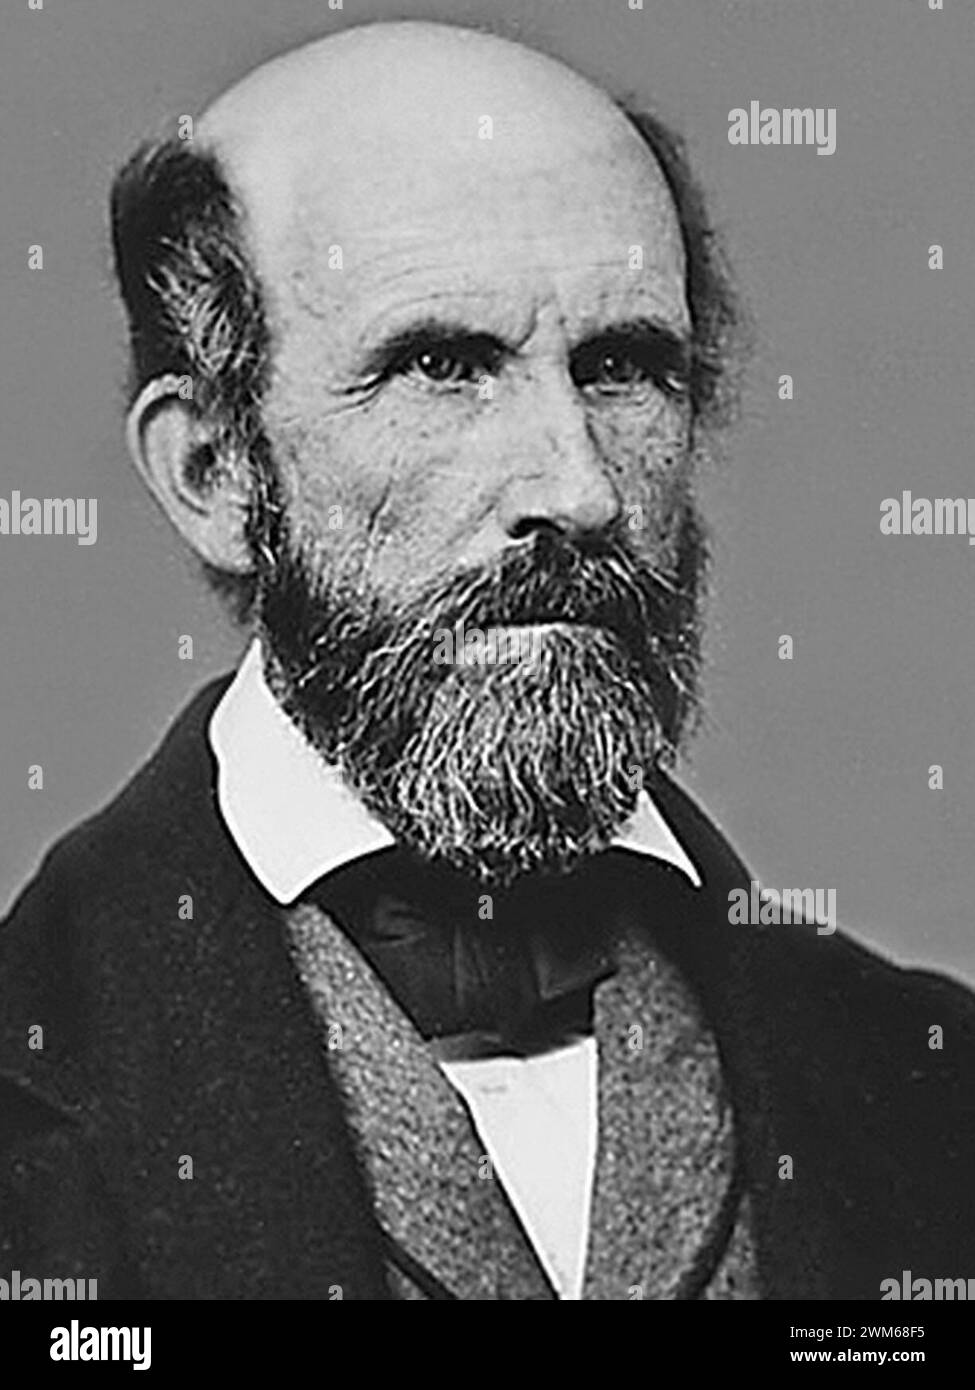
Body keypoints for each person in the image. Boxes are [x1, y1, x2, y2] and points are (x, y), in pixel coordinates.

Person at [2, 19, 973, 1301]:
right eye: (441, 366)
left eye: (623, 369)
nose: (578, 489)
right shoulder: (34, 1086)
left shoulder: (932, 1085)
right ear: (214, 472)